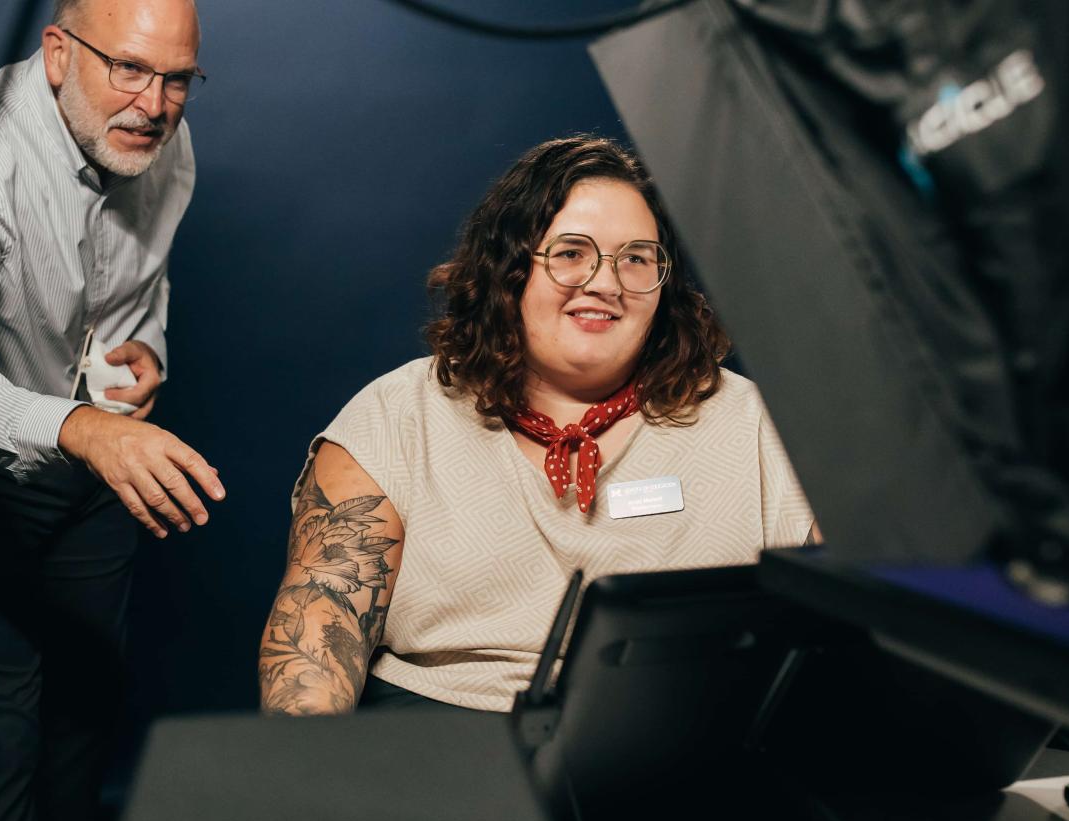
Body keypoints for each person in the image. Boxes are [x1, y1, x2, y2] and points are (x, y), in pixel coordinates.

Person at [258, 135, 816, 716]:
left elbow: (855, 621)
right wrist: (315, 781)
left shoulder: (756, 424)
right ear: (509, 269)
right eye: (571, 252)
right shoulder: (397, 416)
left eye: (636, 258)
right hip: (446, 751)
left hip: (694, 748)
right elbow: (318, 634)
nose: (605, 282)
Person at [0, 0, 221, 821]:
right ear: (59, 52)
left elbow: (142, 287)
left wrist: (149, 351)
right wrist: (89, 433)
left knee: (85, 714)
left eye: (178, 78)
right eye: (130, 68)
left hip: (96, 465)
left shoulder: (160, 141)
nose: (155, 102)